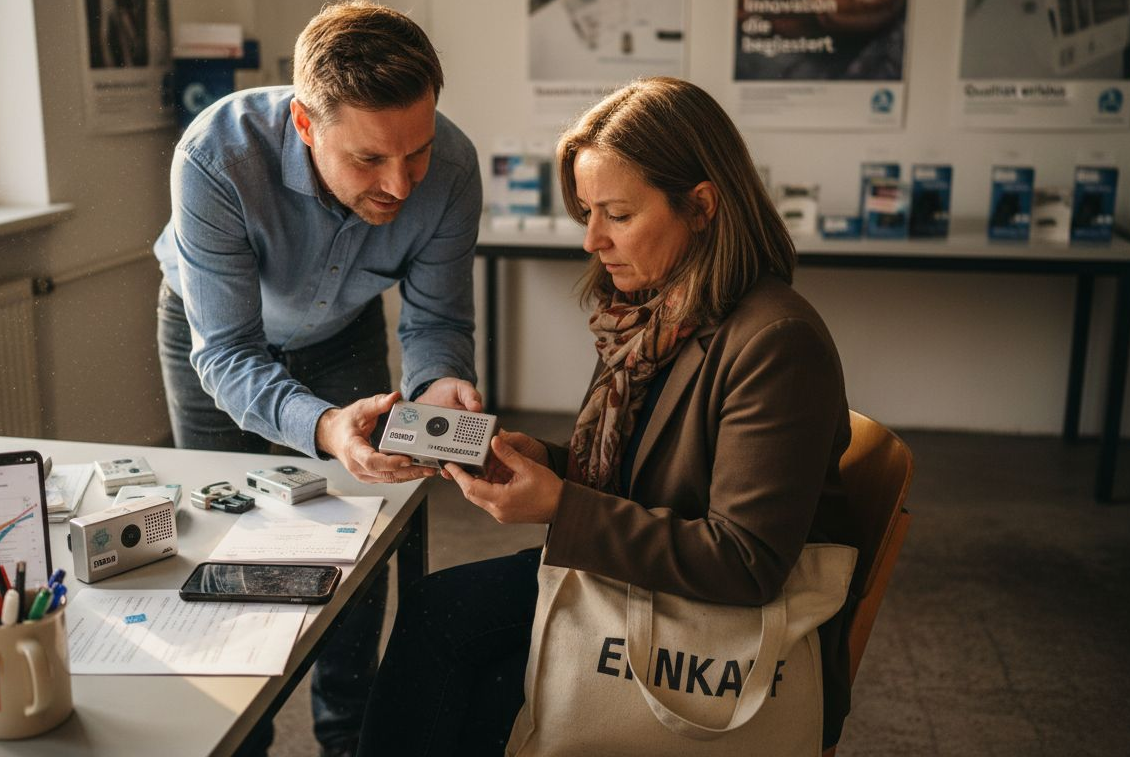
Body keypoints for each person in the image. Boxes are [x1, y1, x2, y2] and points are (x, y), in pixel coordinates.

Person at [358, 76, 853, 755]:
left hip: (709, 619)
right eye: (586, 211)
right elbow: (652, 470)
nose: (592, 239)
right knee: (436, 615)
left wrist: (562, 505)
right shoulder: (651, 315)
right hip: (647, 581)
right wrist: (549, 462)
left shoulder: (776, 342)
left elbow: (746, 564)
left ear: (702, 206)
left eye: (617, 214)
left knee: (459, 652)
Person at [153, 0, 482, 756]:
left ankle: (347, 733)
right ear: (305, 124)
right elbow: (229, 352)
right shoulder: (216, 154)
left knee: (358, 542)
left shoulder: (455, 169)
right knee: (226, 536)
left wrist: (439, 386)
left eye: (417, 151)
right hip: (218, 340)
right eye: (369, 159)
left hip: (343, 334)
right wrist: (323, 425)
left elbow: (435, 324)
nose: (401, 185)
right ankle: (245, 733)